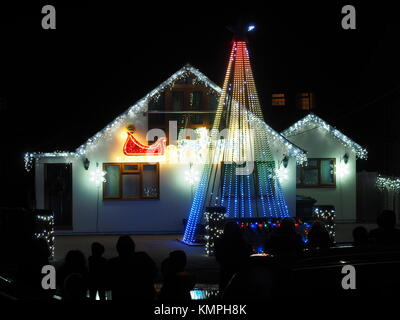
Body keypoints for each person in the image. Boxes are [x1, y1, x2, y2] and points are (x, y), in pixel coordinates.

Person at [108, 235, 157, 301]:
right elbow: (154, 272)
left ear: (118, 248)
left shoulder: (112, 263)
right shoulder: (143, 257)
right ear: (133, 246)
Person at [215, 222, 252, 291]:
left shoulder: (221, 240)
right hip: (238, 269)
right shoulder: (241, 241)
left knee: (225, 286)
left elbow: (218, 255)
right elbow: (247, 253)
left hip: (225, 268)